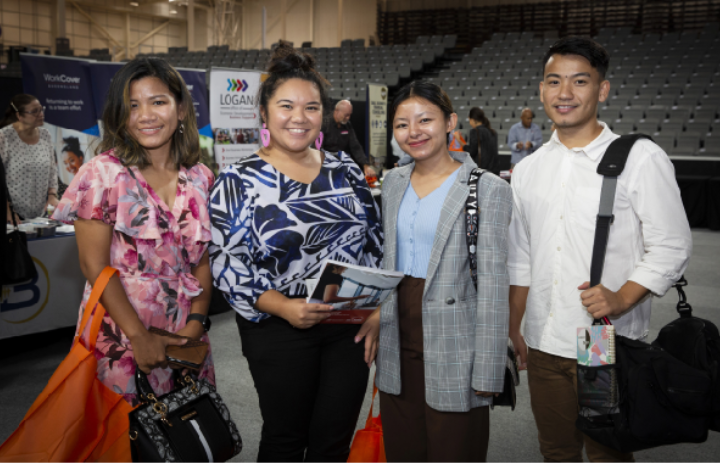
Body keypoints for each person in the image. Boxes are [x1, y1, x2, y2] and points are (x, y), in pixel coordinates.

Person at [508, 37, 693, 462]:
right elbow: (520, 255)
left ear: (602, 90)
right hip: (541, 341)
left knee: (606, 448)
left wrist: (622, 296)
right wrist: (515, 327)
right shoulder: (528, 169)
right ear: (541, 90)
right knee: (555, 449)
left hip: (598, 342)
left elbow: (672, 244)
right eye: (554, 82)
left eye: (579, 81)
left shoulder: (639, 158)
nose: (565, 93)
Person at [209, 42, 383, 462]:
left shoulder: (344, 170)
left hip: (348, 325)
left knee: (333, 441)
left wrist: (377, 311)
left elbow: (374, 244)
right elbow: (227, 265)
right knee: (286, 440)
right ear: (264, 113)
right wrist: (285, 308)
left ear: (323, 114)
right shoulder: (237, 180)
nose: (299, 118)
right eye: (287, 106)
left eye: (311, 107)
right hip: (277, 328)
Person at [52, 57, 216, 406]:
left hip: (185, 331)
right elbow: (94, 266)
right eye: (132, 106)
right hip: (122, 331)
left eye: (158, 101)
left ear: (181, 108)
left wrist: (197, 323)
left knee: (188, 434)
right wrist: (139, 336)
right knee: (123, 443)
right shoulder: (101, 174)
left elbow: (202, 260)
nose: (146, 115)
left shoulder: (201, 176)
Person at [375, 81, 512, 462]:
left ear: (450, 122)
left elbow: (495, 286)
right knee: (404, 448)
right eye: (402, 124)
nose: (413, 132)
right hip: (397, 333)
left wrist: (488, 372)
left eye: (425, 120)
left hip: (456, 340)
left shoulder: (486, 189)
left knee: (453, 449)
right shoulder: (393, 182)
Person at [1, 94, 58, 222]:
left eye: (41, 109)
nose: (40, 114)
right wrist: (6, 210)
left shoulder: (45, 135)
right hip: (12, 216)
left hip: (39, 215)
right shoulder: (4, 137)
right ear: (19, 116)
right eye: (34, 111)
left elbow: (52, 170)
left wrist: (52, 195)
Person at [320, 99, 377, 177]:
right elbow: (318, 148)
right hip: (324, 165)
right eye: (346, 115)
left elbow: (355, 146)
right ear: (337, 111)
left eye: (350, 115)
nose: (348, 118)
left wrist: (365, 165)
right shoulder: (323, 124)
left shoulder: (347, 125)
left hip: (341, 164)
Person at [463, 107, 499, 174]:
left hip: (481, 171)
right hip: (494, 171)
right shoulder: (493, 132)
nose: (470, 123)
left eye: (469, 120)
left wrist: (462, 145)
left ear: (473, 120)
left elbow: (472, 152)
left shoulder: (475, 131)